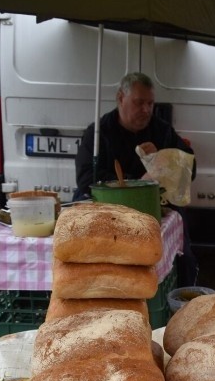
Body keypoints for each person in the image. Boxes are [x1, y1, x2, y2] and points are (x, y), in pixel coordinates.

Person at [74, 72, 199, 286]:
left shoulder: (161, 130)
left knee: (184, 255)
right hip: (109, 208)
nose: (146, 110)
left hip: (156, 207)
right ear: (121, 98)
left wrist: (163, 158)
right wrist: (137, 183)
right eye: (139, 103)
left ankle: (180, 297)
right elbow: (86, 178)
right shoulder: (98, 133)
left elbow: (191, 169)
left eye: (150, 103)